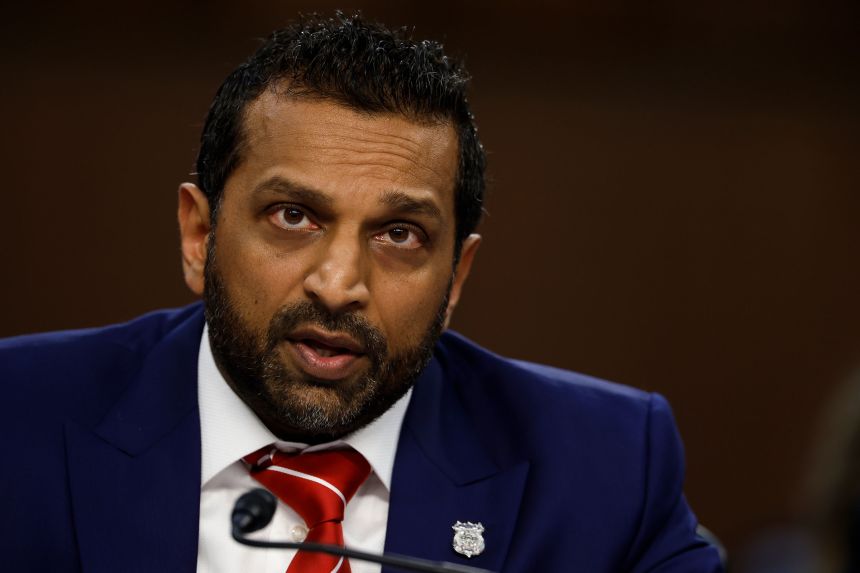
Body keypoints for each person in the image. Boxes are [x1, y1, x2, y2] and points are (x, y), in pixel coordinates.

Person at [0, 12, 723, 573]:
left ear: (456, 279)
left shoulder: (606, 469)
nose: (339, 284)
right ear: (200, 234)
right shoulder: (19, 419)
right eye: (293, 217)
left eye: (399, 234)